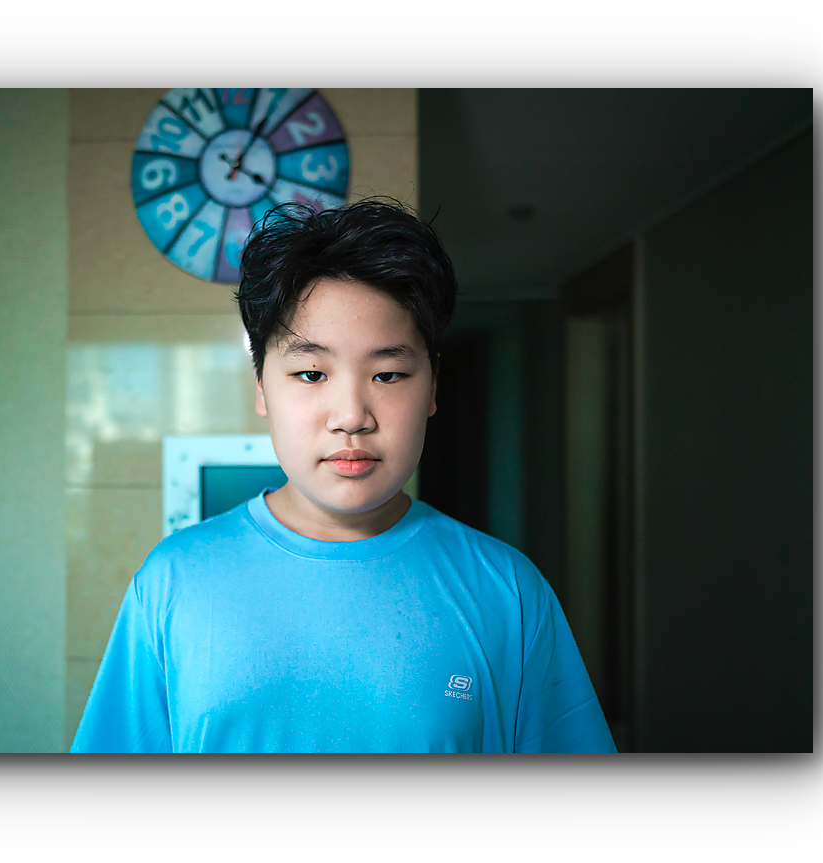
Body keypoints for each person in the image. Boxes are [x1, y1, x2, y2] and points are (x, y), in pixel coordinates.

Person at [71, 199, 616, 752]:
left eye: (388, 374)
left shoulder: (507, 592)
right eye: (312, 373)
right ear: (262, 387)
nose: (352, 416)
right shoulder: (172, 582)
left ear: (432, 386)